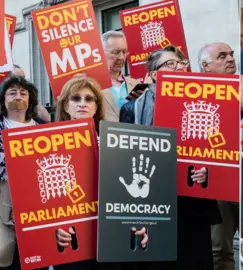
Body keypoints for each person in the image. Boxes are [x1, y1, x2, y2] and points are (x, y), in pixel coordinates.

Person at [120, 46, 221, 270]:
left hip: (191, 196)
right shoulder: (132, 108)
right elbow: (125, 158)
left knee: (195, 259)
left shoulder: (205, 101)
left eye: (180, 63)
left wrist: (207, 171)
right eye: (170, 64)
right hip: (152, 197)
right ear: (154, 74)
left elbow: (218, 147)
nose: (178, 67)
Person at [52, 77, 141, 270]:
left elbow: (125, 189)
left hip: (110, 235)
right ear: (66, 106)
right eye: (76, 98)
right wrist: (53, 230)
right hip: (70, 238)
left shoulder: (115, 143)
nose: (83, 103)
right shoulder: (47, 147)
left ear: (96, 106)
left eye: (89, 99)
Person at [197, 44, 238, 270]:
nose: (230, 59)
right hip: (217, 180)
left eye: (231, 54)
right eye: (222, 56)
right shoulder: (194, 92)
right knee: (220, 248)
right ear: (205, 66)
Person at [0, 76, 47, 270]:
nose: (18, 96)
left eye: (23, 92)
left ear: (31, 100)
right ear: (3, 99)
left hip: (37, 212)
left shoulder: (45, 132)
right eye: (12, 92)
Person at [101, 31, 140, 122]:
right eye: (116, 52)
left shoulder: (136, 85)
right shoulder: (89, 85)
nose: (122, 57)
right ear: (100, 52)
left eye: (124, 52)